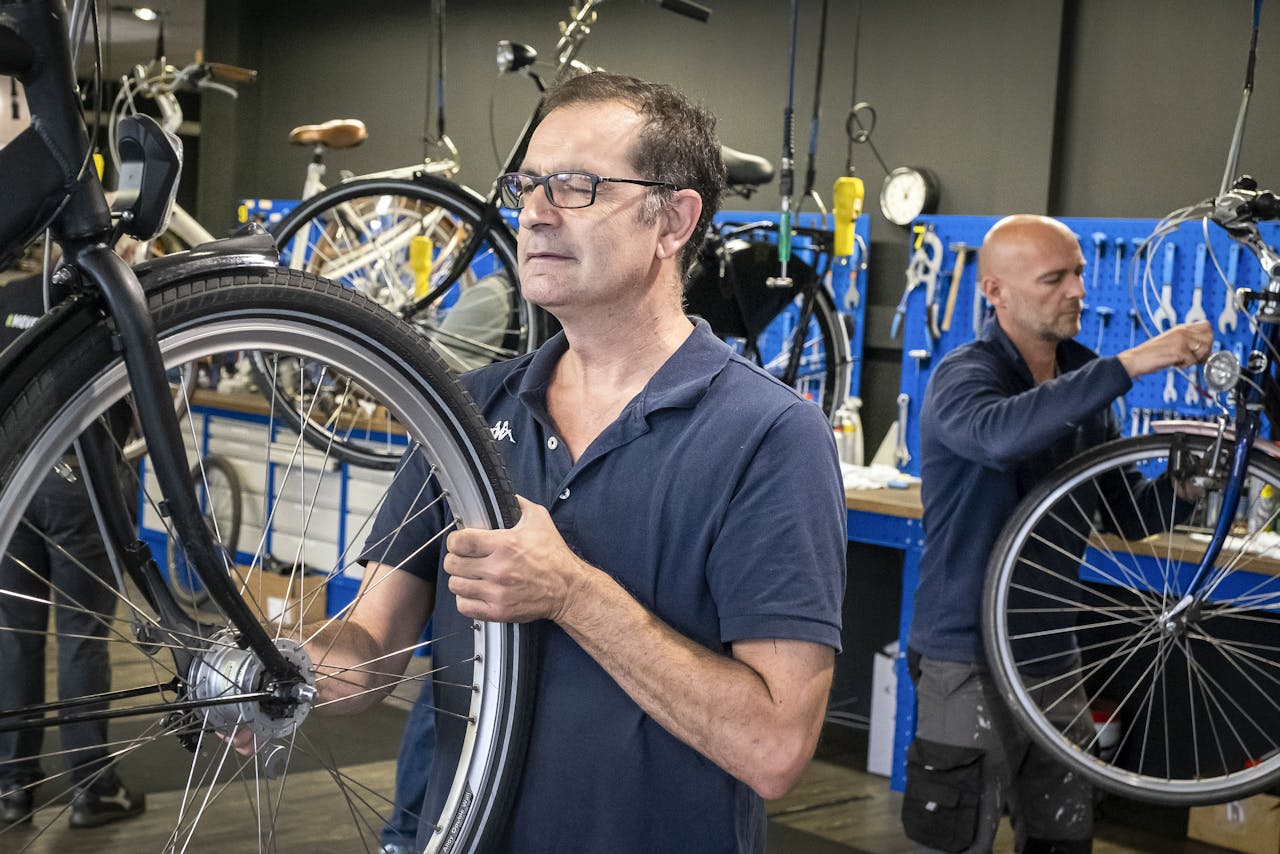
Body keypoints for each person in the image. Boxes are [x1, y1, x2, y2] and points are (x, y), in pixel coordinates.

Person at [310, 72, 848, 853]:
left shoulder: (771, 435)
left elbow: (773, 747)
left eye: (575, 185)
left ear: (674, 219)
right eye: (527, 183)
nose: (533, 210)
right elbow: (368, 655)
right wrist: (280, 668)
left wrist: (570, 592)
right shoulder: (466, 407)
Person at [901, 214, 1213, 854]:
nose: (1077, 290)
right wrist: (1136, 360)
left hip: (1050, 655)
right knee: (957, 837)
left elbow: (1122, 515)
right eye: (1054, 278)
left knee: (1063, 836)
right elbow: (1000, 436)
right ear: (995, 292)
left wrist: (1186, 490)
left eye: (1078, 272)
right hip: (967, 652)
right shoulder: (964, 376)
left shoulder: (1084, 379)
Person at [0, 272, 146, 829]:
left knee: (17, 637)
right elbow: (134, 398)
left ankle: (15, 786)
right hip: (78, 481)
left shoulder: (8, 298)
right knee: (82, 635)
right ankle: (92, 789)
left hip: (13, 483)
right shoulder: (101, 299)